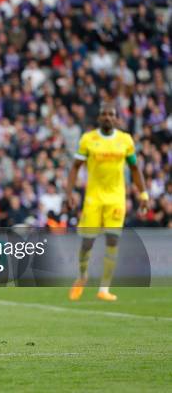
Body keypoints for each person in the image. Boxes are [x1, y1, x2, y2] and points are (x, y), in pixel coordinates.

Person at [66, 104, 149, 302]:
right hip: (93, 198)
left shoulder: (125, 140)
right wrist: (69, 192)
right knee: (87, 243)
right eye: (104, 114)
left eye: (111, 114)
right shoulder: (88, 139)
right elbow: (75, 167)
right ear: (99, 118)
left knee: (113, 240)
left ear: (117, 118)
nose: (107, 117)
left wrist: (143, 194)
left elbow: (135, 169)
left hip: (116, 198)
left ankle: (104, 288)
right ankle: (82, 275)